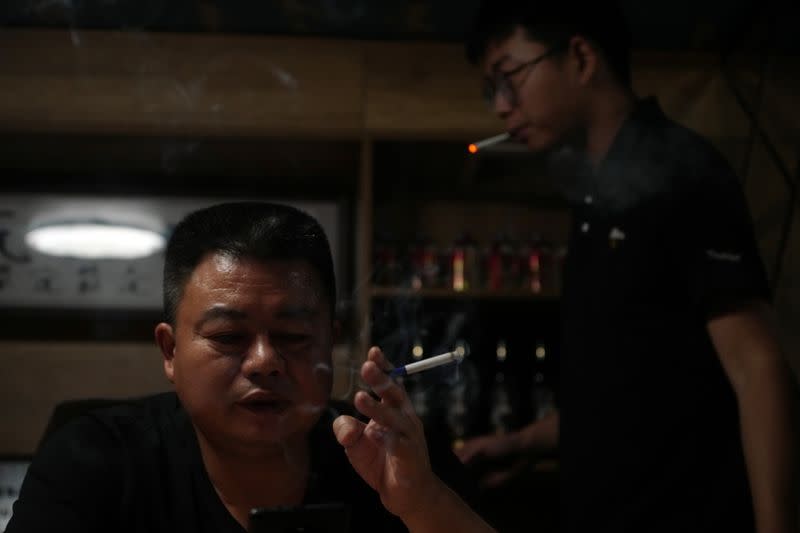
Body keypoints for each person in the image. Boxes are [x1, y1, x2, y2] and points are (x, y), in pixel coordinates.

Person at [455, 2, 799, 533]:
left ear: (580, 56)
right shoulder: (597, 198)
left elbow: (756, 367)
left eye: (510, 78)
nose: (501, 107)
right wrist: (521, 444)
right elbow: (626, 388)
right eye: (492, 90)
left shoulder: (678, 168)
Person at [7, 202, 495, 533]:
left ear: (332, 342)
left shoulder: (399, 461)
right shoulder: (96, 465)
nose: (264, 362)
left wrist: (422, 504)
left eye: (294, 338)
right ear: (170, 351)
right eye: (228, 338)